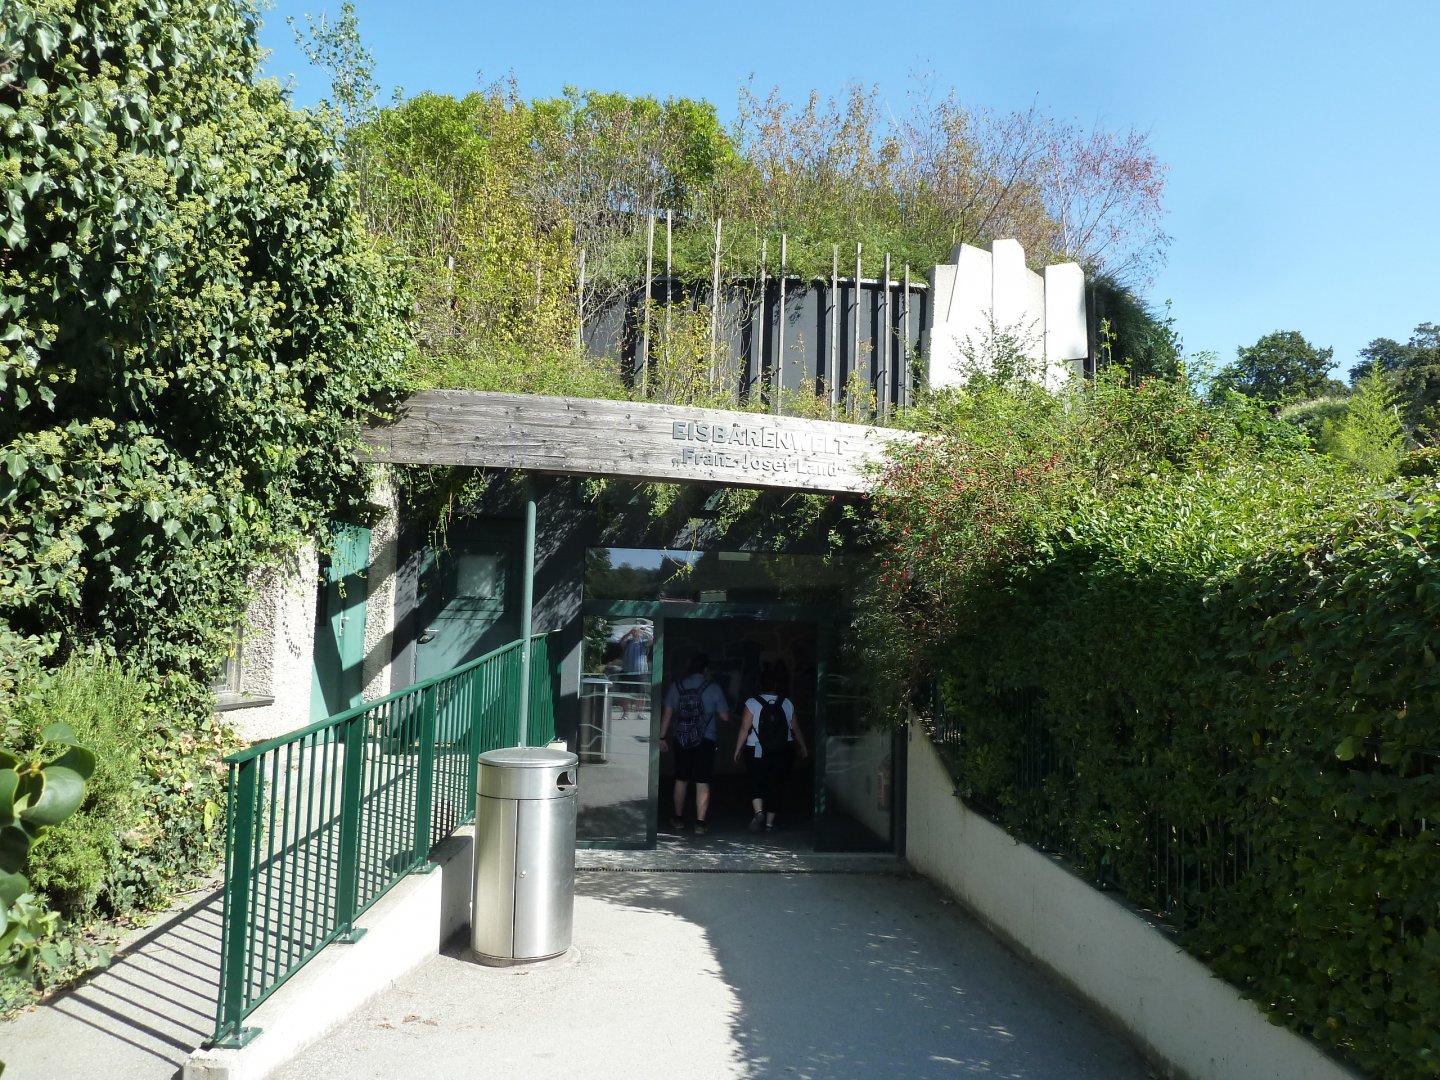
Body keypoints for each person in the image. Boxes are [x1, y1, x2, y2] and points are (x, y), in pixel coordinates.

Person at [657, 653, 730, 834]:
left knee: (681, 778)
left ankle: (678, 818)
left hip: (681, 738)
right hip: (706, 739)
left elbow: (667, 714)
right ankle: (700, 823)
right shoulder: (713, 688)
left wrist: (661, 737)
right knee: (702, 780)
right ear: (706, 670)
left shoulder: (677, 686)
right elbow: (726, 717)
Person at [733, 665, 808, 832]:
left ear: (760, 684)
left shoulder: (752, 703)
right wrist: (803, 746)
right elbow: (795, 728)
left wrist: (738, 749)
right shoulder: (787, 702)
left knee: (756, 780)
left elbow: (744, 729)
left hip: (756, 749)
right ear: (775, 685)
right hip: (783, 749)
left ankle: (759, 811)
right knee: (777, 784)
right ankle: (769, 823)